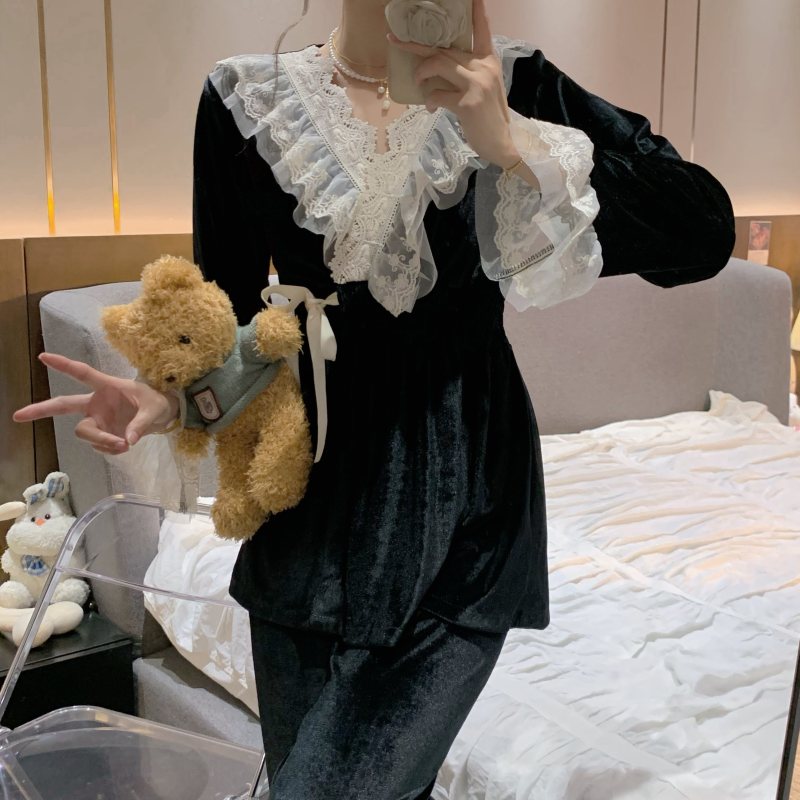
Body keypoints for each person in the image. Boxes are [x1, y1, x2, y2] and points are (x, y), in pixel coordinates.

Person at [12, 0, 736, 797]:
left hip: (465, 511)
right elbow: (235, 322)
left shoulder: (512, 83)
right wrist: (174, 399)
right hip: (307, 522)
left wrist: (511, 143)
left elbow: (703, 230)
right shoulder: (246, 100)